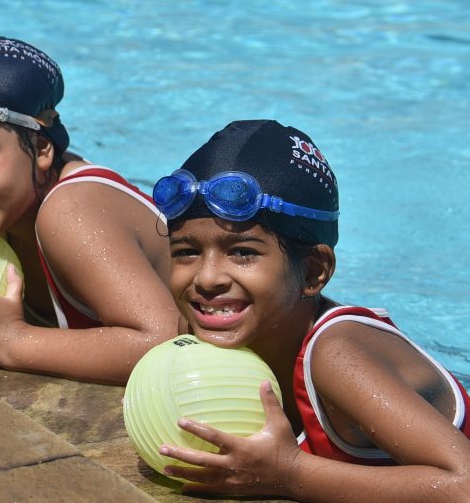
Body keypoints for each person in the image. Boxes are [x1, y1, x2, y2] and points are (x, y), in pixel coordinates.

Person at [150, 119, 470, 500]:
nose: (206, 279)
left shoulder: (336, 357)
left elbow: (463, 485)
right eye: (186, 252)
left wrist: (290, 474)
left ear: (314, 272)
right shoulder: (200, 333)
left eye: (243, 252)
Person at [0, 36, 180, 384]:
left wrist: (12, 340)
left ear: (41, 148)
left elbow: (164, 342)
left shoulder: (70, 210)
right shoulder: (1, 210)